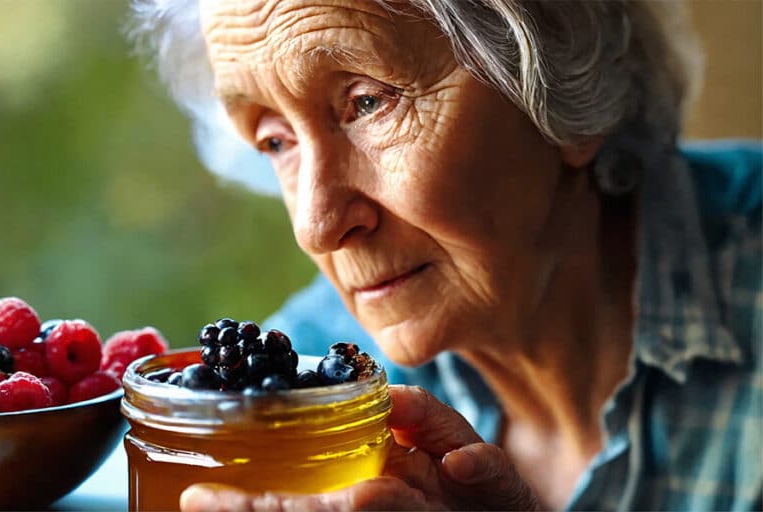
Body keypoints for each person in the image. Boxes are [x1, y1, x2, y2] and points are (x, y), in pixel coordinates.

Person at [130, 1, 762, 510]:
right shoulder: (307, 377)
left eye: (367, 102)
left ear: (575, 82)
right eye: (276, 140)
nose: (317, 226)